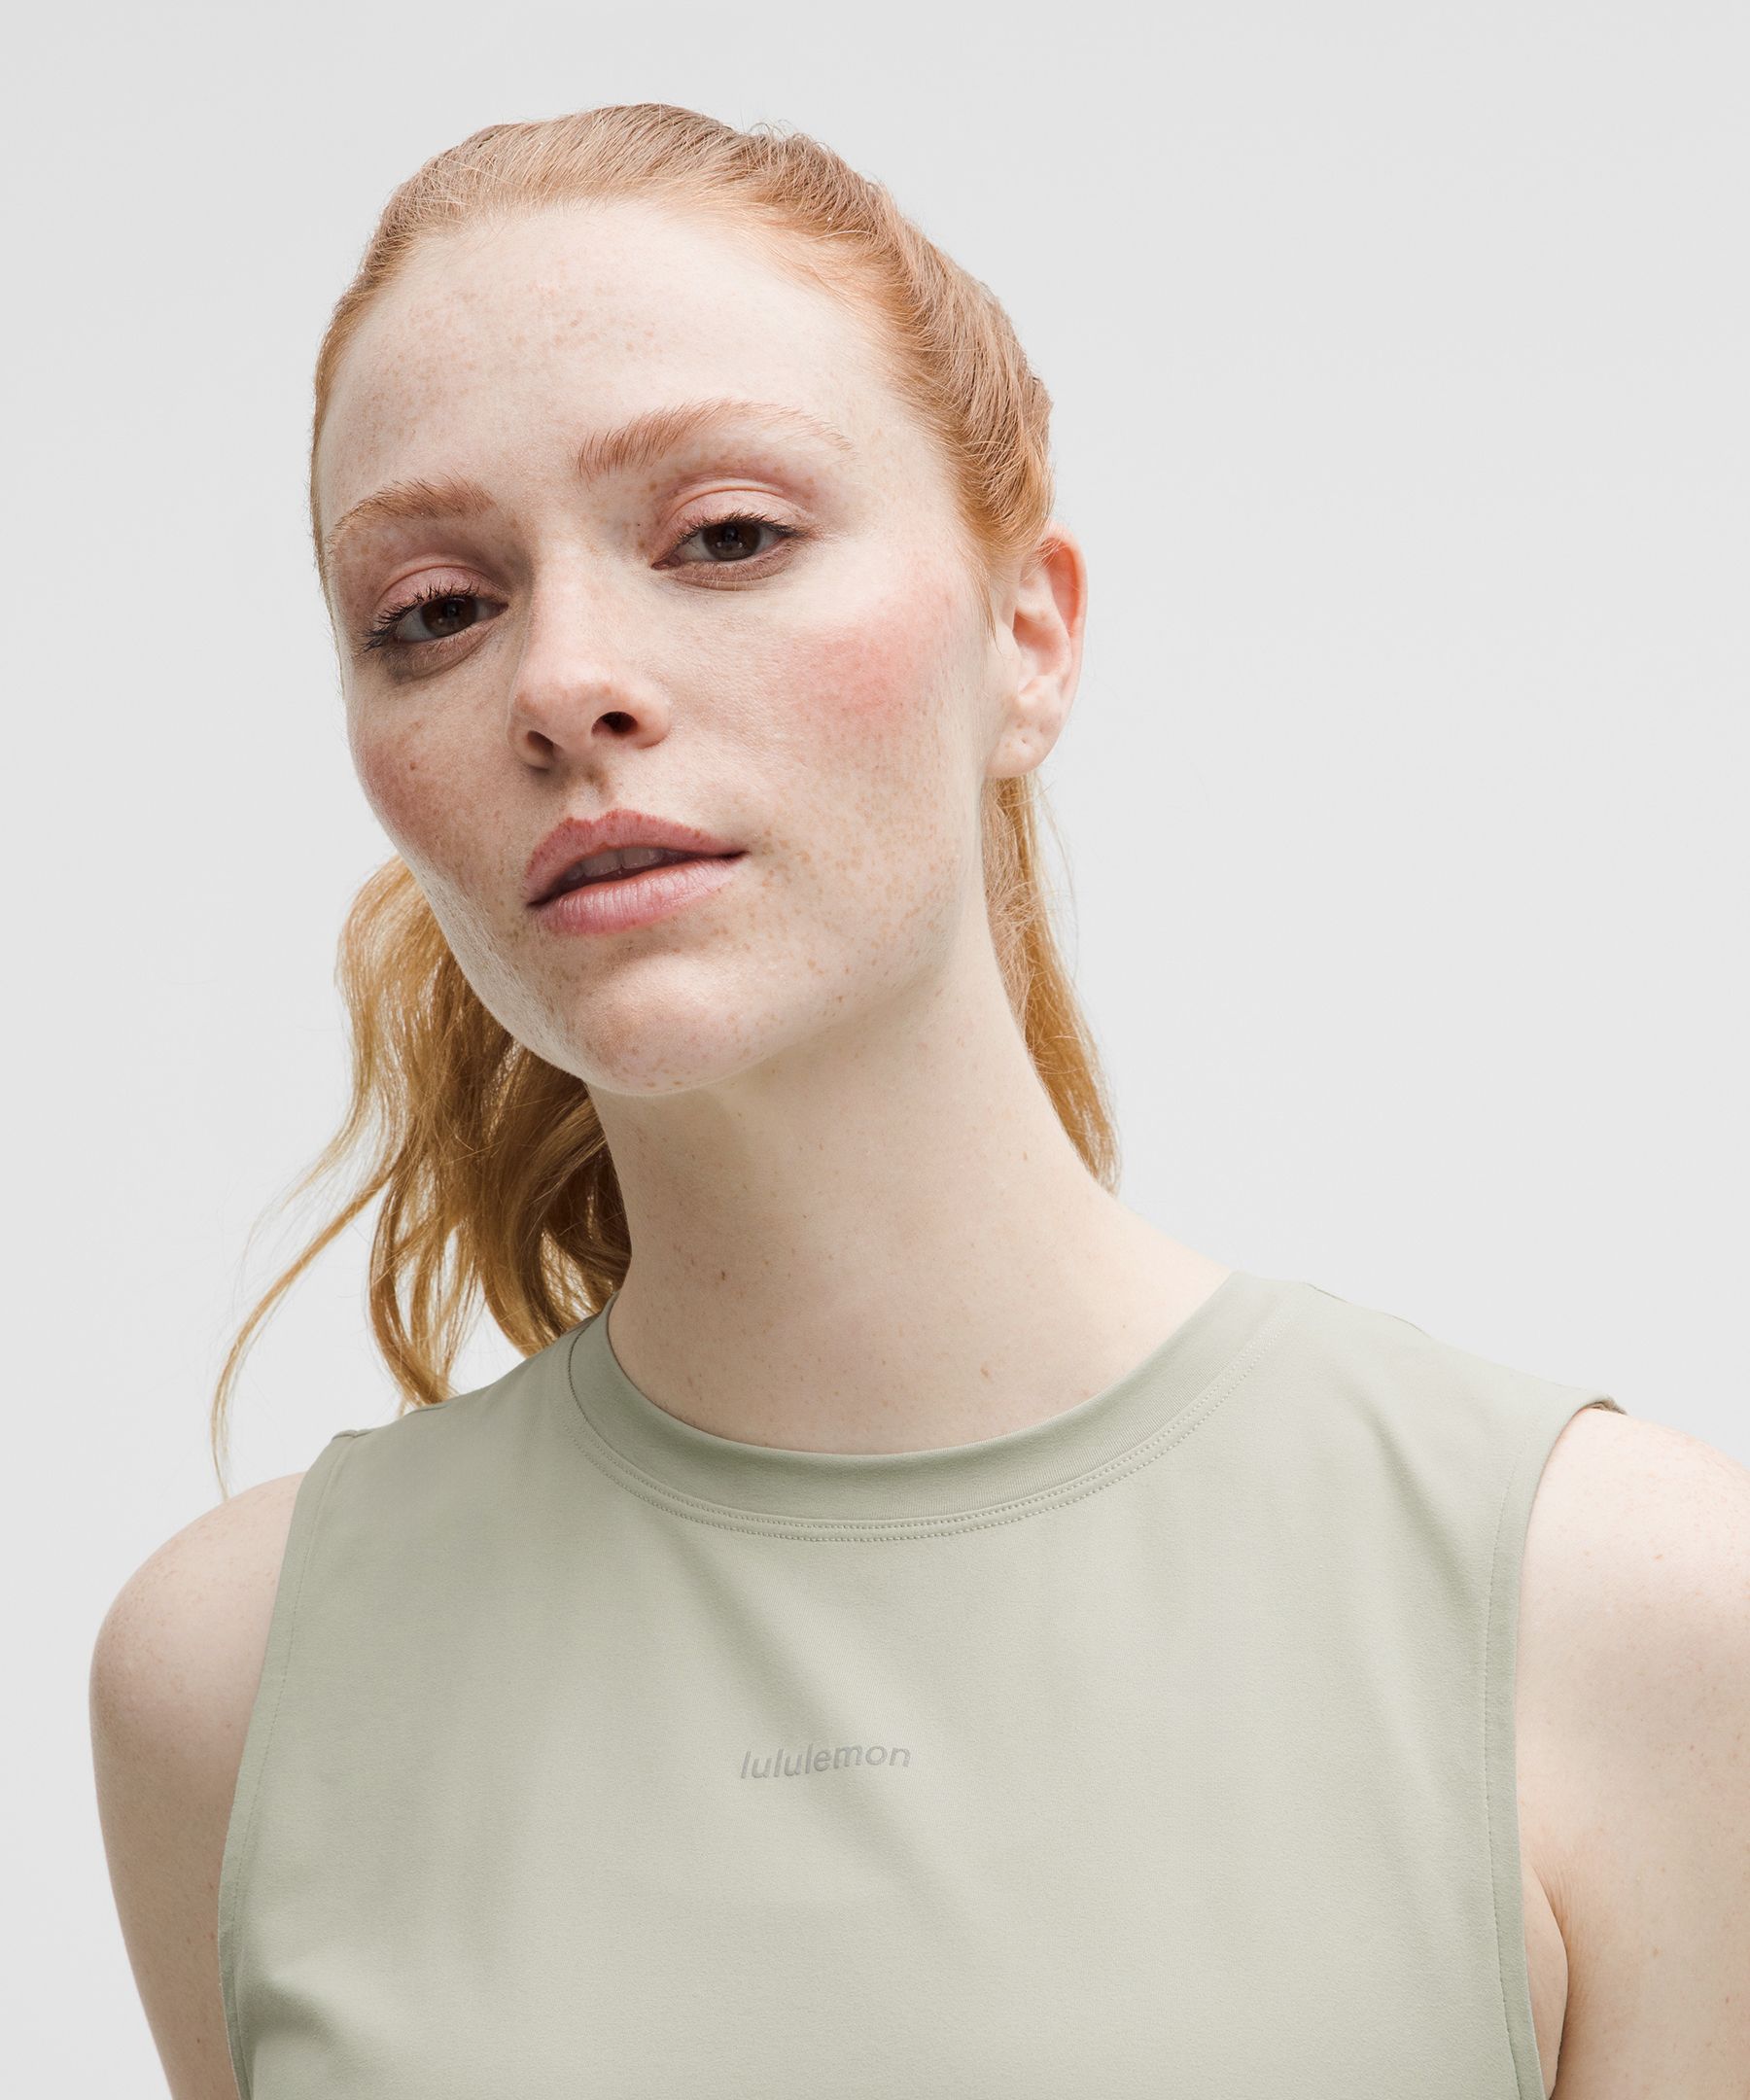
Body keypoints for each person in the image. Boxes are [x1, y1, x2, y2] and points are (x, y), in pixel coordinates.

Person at [88, 104, 1749, 2100]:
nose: (563, 682)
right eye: (434, 608)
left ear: (1029, 634)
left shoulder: (1623, 1615)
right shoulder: (233, 1688)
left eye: (726, 535)